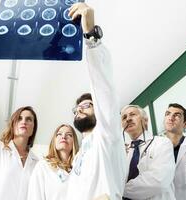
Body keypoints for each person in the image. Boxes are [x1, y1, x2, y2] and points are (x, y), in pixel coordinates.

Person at [66, 3, 127, 200]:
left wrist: (90, 35)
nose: (79, 110)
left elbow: (103, 89)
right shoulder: (78, 156)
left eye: (87, 105)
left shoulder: (106, 133)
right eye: (77, 108)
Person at [121, 105, 176, 200]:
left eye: (132, 114)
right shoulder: (123, 152)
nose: (128, 119)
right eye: (124, 117)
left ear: (145, 120)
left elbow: (158, 181)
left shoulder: (162, 143)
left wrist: (121, 189)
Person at [27, 124, 79, 200]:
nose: (63, 137)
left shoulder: (79, 169)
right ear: (54, 141)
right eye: (59, 134)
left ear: (74, 142)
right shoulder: (43, 166)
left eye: (69, 135)